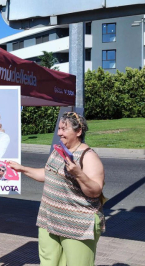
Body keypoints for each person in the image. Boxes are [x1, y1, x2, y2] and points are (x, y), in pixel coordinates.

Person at [9, 112, 105, 266]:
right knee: (48, 263)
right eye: (59, 128)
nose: (59, 132)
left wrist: (78, 173)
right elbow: (48, 174)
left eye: (64, 129)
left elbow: (95, 191)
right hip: (49, 218)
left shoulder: (88, 156)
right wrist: (22, 169)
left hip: (77, 224)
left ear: (78, 131)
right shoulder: (59, 150)